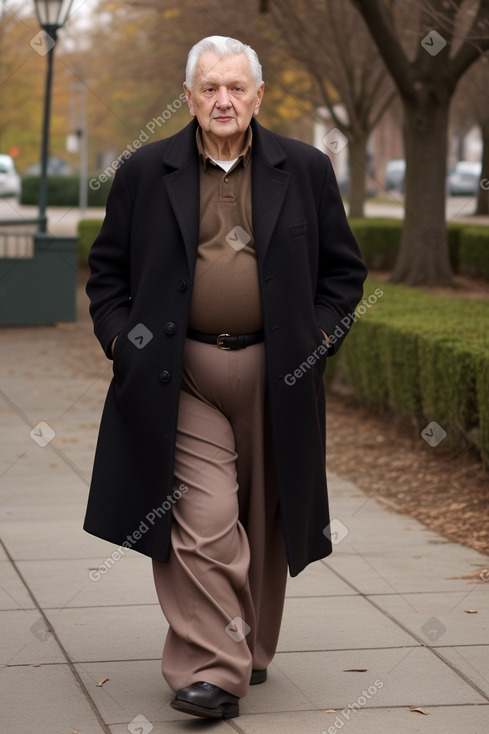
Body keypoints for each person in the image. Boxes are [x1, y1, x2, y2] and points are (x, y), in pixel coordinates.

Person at [84, 35, 367, 720]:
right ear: (187, 97)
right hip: (179, 378)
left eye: (236, 87)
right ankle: (211, 667)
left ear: (258, 95)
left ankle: (250, 648)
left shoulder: (302, 169)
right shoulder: (145, 172)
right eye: (209, 87)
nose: (222, 99)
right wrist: (125, 343)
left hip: (279, 374)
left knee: (267, 520)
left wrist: (320, 335)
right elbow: (107, 274)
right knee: (205, 519)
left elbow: (343, 274)